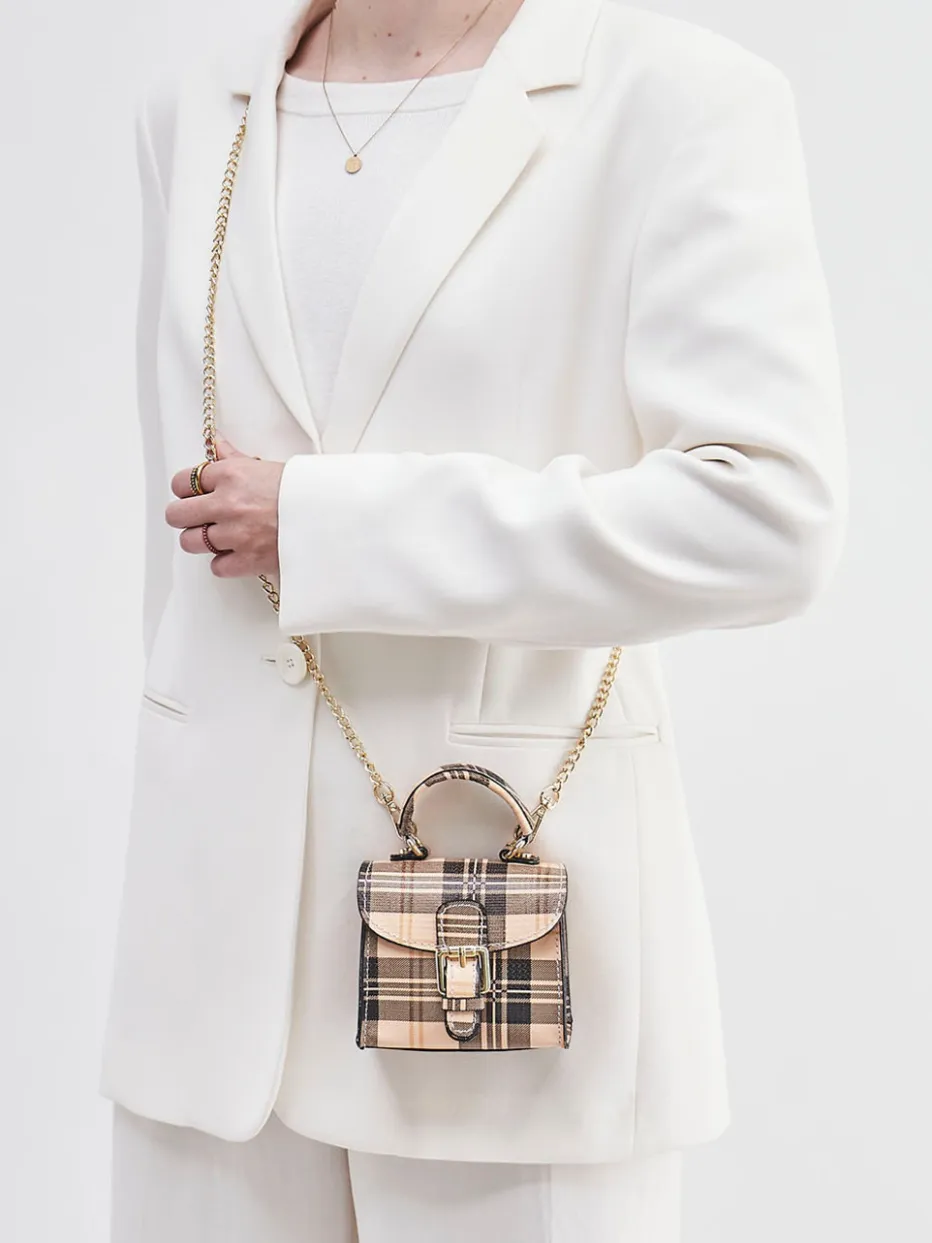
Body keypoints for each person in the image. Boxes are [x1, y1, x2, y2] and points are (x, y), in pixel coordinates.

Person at [101, 0, 848, 1239]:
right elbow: (174, 557)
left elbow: (768, 515)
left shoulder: (674, 98)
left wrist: (335, 524)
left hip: (508, 947)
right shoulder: (194, 109)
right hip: (209, 981)